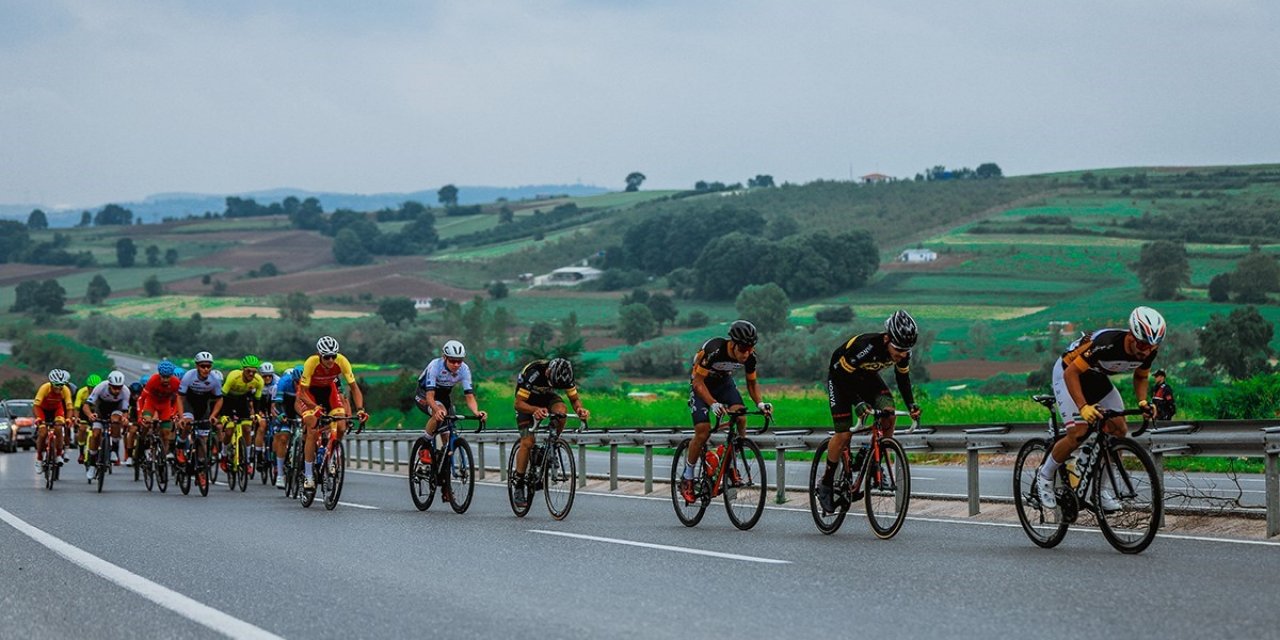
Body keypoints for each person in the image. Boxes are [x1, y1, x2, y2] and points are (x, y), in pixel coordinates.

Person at [1036, 306, 1166, 510]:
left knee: (1119, 431)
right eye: (1142, 344)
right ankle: (1045, 475)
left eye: (1151, 346)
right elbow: (1072, 373)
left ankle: (1099, 489)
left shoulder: (1150, 349)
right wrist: (1083, 406)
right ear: (1131, 335)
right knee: (1077, 433)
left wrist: (1142, 402)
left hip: (1095, 376)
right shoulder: (1107, 344)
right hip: (1067, 372)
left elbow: (1141, 376)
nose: (1145, 350)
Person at [815, 310, 923, 514]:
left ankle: (875, 455)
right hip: (840, 379)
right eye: (898, 349)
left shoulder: (903, 353)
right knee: (844, 433)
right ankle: (826, 483)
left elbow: (902, 379)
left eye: (907, 350)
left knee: (888, 413)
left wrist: (911, 405)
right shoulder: (866, 347)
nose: (902, 354)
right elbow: (843, 377)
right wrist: (857, 402)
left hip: (867, 378)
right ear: (887, 338)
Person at [680, 320, 773, 505]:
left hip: (724, 384)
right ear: (733, 343)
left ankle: (732, 461)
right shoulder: (715, 350)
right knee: (703, 430)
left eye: (750, 348)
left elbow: (752, 383)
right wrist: (713, 404)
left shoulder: (750, 357)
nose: (747, 353)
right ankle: (688, 477)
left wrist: (761, 403)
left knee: (741, 416)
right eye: (744, 348)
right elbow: (698, 383)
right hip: (701, 385)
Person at [512, 356, 590, 507]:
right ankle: (519, 483)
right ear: (548, 372)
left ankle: (551, 445)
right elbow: (518, 404)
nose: (554, 385)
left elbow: (574, 399)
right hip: (526, 402)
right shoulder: (534, 373)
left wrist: (580, 409)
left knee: (561, 411)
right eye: (552, 383)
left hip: (546, 398)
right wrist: (535, 410)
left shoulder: (566, 376)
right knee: (528, 442)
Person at [297, 336, 367, 490]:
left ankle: (332, 457)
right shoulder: (311, 363)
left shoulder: (342, 361)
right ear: (319, 355)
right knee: (312, 430)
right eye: (326, 357)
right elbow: (302, 393)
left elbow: (354, 388)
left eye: (333, 356)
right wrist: (314, 407)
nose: (330, 360)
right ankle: (308, 476)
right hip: (310, 394)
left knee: (341, 426)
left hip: (329, 391)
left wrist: (360, 409)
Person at [177, 351, 225, 485]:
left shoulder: (214, 379)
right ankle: (180, 445)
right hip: (189, 404)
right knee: (187, 424)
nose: (206, 369)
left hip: (203, 407)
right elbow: (180, 397)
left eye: (208, 366)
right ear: (197, 366)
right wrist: (181, 417)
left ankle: (200, 471)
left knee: (203, 440)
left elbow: (219, 400)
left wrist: (213, 416)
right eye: (203, 366)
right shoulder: (188, 376)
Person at [82, 371, 131, 480]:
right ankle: (92, 464)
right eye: (114, 387)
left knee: (115, 420)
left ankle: (114, 449)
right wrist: (90, 415)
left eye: (119, 387)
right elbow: (86, 405)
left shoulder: (126, 391)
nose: (117, 390)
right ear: (109, 384)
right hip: (101, 408)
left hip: (116, 408)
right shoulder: (100, 387)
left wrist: (124, 418)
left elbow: (125, 409)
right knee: (95, 435)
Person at [219, 355, 264, 473]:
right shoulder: (233, 376)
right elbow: (222, 396)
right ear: (243, 369)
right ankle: (223, 456)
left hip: (242, 401)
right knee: (228, 431)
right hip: (228, 400)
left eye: (254, 372)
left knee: (247, 429)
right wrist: (222, 414)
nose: (251, 374)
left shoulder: (258, 381)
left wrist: (257, 414)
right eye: (248, 371)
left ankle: (247, 460)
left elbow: (257, 400)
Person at [137, 360, 182, 461]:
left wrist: (174, 413)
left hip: (165, 406)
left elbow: (179, 400)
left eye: (168, 377)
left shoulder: (176, 382)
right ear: (159, 374)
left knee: (166, 433)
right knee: (147, 422)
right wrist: (140, 415)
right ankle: (142, 441)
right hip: (151, 403)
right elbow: (141, 399)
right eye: (163, 377)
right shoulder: (153, 380)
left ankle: (163, 456)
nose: (165, 380)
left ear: (171, 375)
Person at [271, 364, 304, 488]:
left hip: (299, 407)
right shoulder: (284, 382)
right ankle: (280, 475)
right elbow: (277, 404)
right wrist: (281, 415)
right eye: (296, 382)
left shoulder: (307, 384)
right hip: (285, 407)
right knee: (283, 437)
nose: (298, 385)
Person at [33, 369, 73, 469]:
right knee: (42, 432)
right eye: (56, 385)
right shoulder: (45, 388)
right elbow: (36, 405)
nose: (59, 387)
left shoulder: (65, 390)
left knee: (59, 428)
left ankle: (59, 454)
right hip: (42, 410)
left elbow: (69, 407)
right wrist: (38, 418)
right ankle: (39, 458)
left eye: (61, 385)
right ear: (51, 383)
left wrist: (68, 419)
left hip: (56, 410)